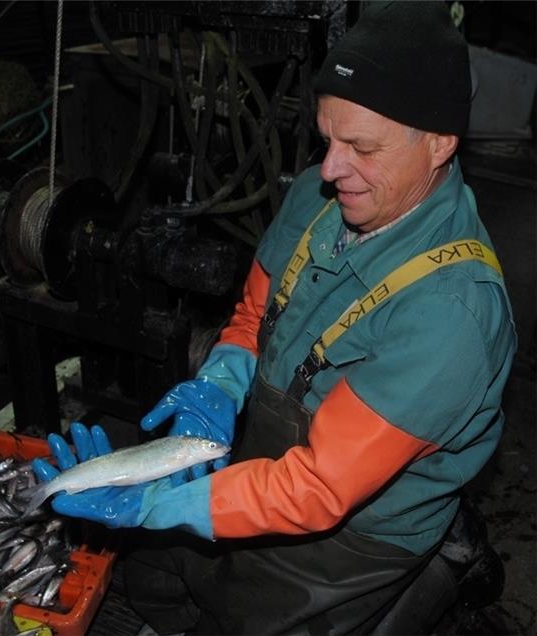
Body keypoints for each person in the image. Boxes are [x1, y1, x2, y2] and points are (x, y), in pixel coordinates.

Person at [32, 2, 517, 634]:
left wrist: (163, 502)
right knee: (153, 575)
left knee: (242, 615)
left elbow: (318, 487)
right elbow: (256, 313)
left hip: (355, 525)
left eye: (362, 147)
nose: (332, 168)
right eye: (328, 139)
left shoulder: (451, 315)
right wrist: (222, 383)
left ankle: (434, 573)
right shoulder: (320, 194)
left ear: (440, 144)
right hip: (270, 456)